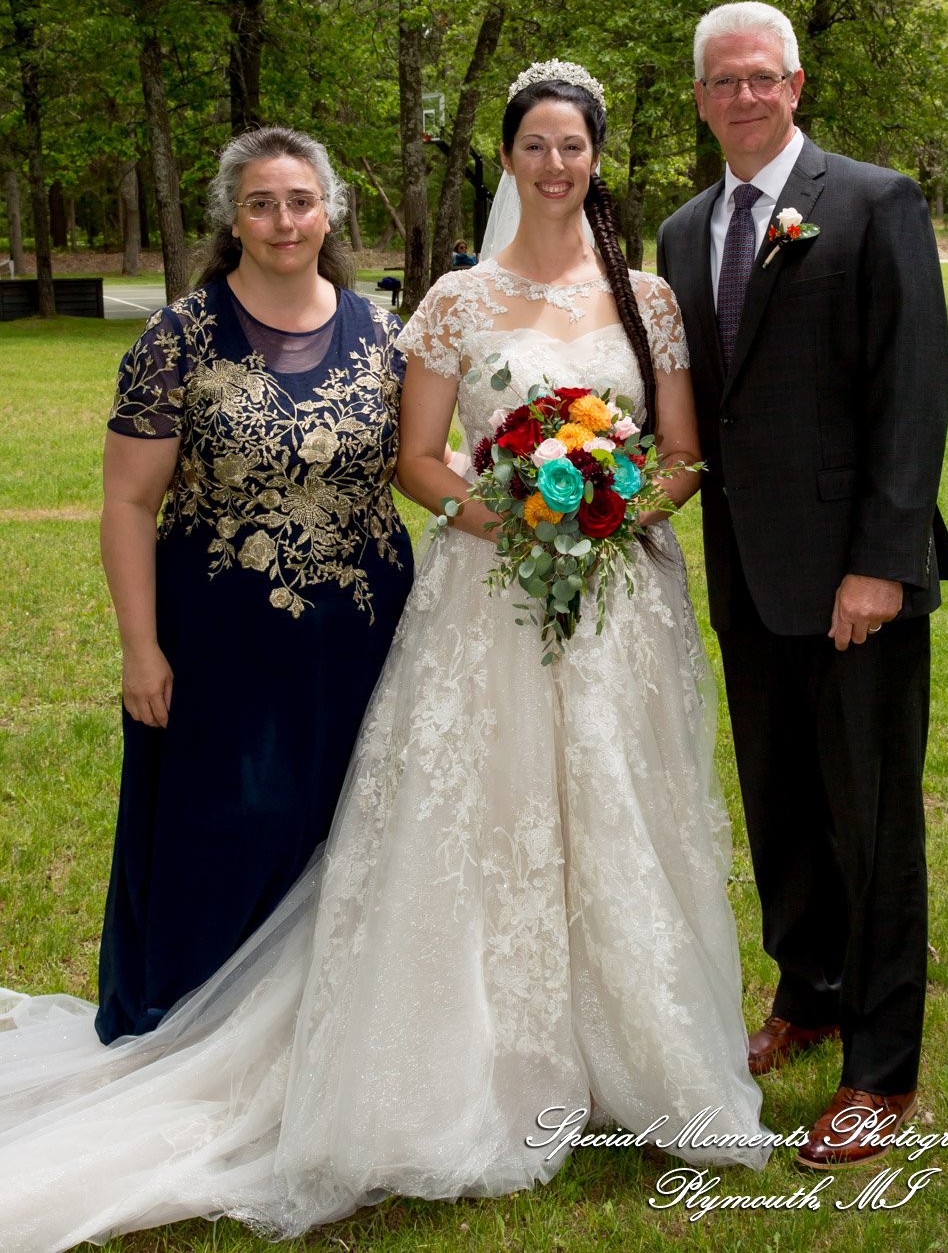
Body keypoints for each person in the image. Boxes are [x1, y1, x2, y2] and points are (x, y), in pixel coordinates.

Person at [0, 65, 768, 1251]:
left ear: (595, 158)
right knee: (481, 813)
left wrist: (611, 516)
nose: (553, 164)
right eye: (533, 145)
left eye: (572, 146)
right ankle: (468, 1054)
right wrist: (508, 517)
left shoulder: (648, 299)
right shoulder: (453, 300)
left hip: (616, 602)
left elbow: (679, 455)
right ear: (506, 159)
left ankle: (637, 1046)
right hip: (483, 594)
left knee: (622, 810)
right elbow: (419, 459)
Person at [657, 1, 948, 1170]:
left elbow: (910, 389)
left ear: (793, 84)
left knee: (870, 819)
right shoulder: (682, 232)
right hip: (746, 575)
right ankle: (810, 993)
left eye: (760, 77)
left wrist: (879, 562)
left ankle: (879, 1070)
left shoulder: (874, 202)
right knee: (781, 805)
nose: (742, 96)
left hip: (854, 580)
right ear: (699, 100)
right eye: (720, 81)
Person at [95, 124, 414, 1043]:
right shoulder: (177, 337)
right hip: (221, 634)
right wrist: (140, 647)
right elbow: (128, 503)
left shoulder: (385, 334)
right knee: (231, 821)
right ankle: (204, 1019)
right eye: (261, 205)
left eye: (300, 202)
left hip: (364, 628)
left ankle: (336, 1029)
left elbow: (422, 463)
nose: (283, 221)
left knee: (348, 819)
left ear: (330, 213)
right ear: (232, 220)